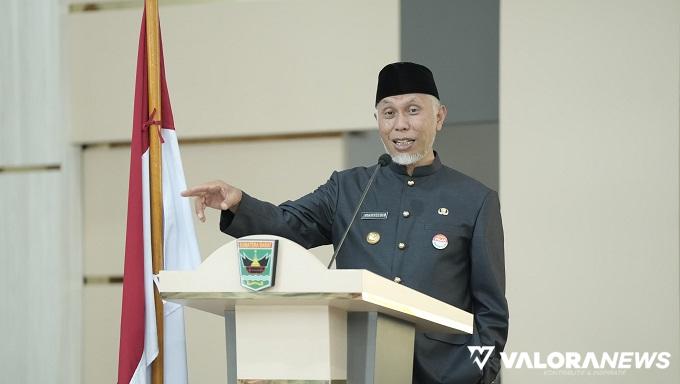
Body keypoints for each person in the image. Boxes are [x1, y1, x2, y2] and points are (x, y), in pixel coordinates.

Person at [182, 62, 508, 384]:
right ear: (377, 120)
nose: (400, 124)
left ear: (439, 117)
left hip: (443, 373)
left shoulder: (475, 200)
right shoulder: (348, 188)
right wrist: (239, 202)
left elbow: (490, 310)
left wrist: (475, 374)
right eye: (389, 113)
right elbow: (287, 225)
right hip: (357, 366)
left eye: (413, 110)